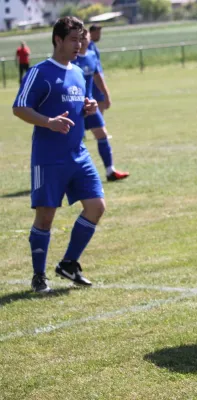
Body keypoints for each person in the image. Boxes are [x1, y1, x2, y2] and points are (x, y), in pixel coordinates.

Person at [12, 16, 105, 294]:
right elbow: (19, 107)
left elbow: (77, 104)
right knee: (45, 217)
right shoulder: (40, 72)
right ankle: (39, 276)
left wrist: (87, 107)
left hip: (79, 154)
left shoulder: (77, 72)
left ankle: (69, 263)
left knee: (96, 206)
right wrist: (48, 122)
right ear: (58, 40)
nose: (79, 45)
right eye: (74, 39)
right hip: (49, 158)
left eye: (81, 39)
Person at [73, 29, 129, 182]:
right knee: (72, 141)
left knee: (102, 135)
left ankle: (110, 171)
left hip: (90, 104)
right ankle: (66, 176)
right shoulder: (71, 59)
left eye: (86, 37)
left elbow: (98, 77)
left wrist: (106, 95)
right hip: (73, 106)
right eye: (81, 37)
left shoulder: (91, 56)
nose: (84, 40)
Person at [89, 24, 110, 114]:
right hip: (95, 82)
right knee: (99, 106)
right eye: (97, 33)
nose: (99, 35)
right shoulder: (88, 45)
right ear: (91, 33)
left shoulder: (92, 45)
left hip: (97, 79)